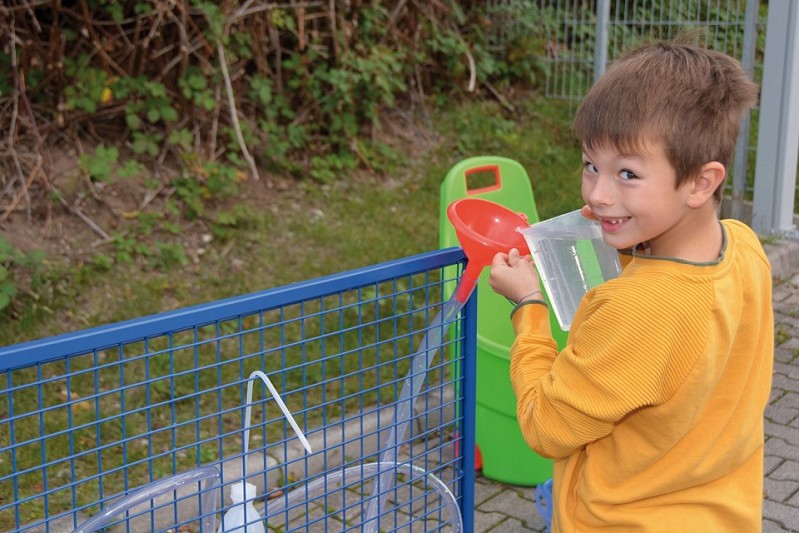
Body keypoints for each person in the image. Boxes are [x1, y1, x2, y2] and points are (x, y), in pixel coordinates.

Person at [489, 39, 774, 532]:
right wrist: (622, 235)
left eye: (627, 173)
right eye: (590, 165)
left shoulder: (637, 310)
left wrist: (529, 306)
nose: (598, 194)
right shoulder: (745, 249)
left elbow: (546, 427)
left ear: (701, 183)